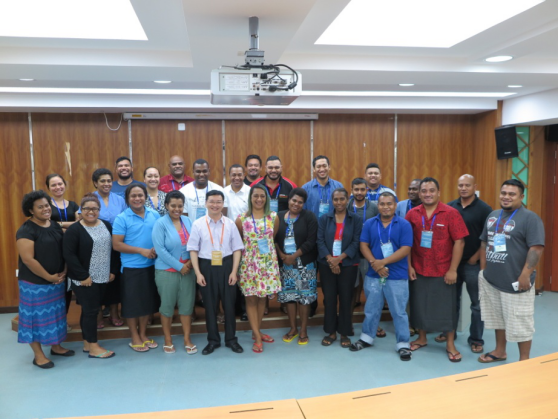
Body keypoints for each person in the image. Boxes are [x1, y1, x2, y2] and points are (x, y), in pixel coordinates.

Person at [478, 179, 544, 363]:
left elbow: (536, 248)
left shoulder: (530, 218)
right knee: (498, 318)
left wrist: (525, 274)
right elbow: (484, 242)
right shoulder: (493, 215)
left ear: (521, 197)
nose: (506, 197)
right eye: (504, 193)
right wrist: (483, 270)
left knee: (521, 322)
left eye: (512, 194)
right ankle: (500, 351)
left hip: (516, 281)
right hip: (492, 280)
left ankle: (524, 361)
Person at [405, 177, 468, 363]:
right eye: (424, 191)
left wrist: (453, 269)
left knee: (446, 308)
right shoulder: (412, 214)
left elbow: (459, 242)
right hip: (419, 268)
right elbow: (406, 243)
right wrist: (409, 266)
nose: (427, 194)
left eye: (431, 190)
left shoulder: (451, 213)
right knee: (419, 305)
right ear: (419, 193)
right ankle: (422, 338)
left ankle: (450, 344)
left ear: (439, 192)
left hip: (443, 269)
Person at [351, 192, 414, 361]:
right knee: (371, 308)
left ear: (395, 205)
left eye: (389, 204)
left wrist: (383, 262)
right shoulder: (370, 223)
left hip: (397, 275)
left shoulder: (404, 224)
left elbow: (406, 249)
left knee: (399, 311)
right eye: (382, 204)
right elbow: (363, 245)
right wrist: (375, 264)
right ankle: (367, 337)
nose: (386, 207)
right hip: (373, 274)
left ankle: (403, 344)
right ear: (377, 205)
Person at [16, 190, 74, 369]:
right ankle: (38, 355)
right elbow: (28, 260)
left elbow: (62, 249)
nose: (46, 209)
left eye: (47, 205)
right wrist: (49, 276)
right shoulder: (26, 230)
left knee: (55, 317)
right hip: (34, 284)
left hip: (56, 281)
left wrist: (64, 270)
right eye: (40, 207)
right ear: (31, 210)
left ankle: (56, 346)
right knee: (34, 320)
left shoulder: (54, 225)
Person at [435, 174, 493, 352]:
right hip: (451, 263)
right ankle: (448, 333)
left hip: (472, 264)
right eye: (460, 185)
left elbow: (488, 238)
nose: (463, 188)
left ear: (475, 186)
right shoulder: (450, 207)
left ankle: (476, 339)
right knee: (451, 302)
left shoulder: (485, 209)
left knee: (477, 304)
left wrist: (475, 257)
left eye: (467, 185)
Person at [187, 190, 244, 355]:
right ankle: (213, 340)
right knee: (210, 306)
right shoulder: (198, 224)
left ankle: (231, 339)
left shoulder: (230, 224)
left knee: (229, 305)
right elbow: (193, 250)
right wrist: (198, 273)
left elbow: (237, 249)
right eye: (212, 201)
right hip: (206, 267)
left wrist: (234, 271)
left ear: (223, 204)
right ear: (206, 203)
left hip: (227, 266)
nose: (215, 205)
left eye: (219, 202)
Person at [63, 193, 118, 359]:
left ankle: (87, 343)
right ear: (81, 210)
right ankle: (94, 347)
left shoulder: (106, 225)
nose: (91, 212)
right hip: (84, 279)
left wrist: (112, 270)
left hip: (103, 276)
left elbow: (113, 249)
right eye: (87, 208)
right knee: (91, 311)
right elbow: (69, 255)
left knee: (89, 310)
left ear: (99, 210)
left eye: (95, 209)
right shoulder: (74, 230)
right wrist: (83, 276)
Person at [113, 184, 161, 352]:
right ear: (127, 198)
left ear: (145, 197)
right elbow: (117, 244)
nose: (137, 198)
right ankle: (134, 336)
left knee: (147, 303)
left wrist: (157, 247)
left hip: (152, 266)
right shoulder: (121, 218)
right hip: (131, 268)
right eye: (133, 196)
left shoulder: (154, 214)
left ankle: (143, 334)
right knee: (132, 305)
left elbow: (159, 236)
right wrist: (141, 251)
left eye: (140, 195)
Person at [236, 184, 281, 353]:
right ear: (250, 198)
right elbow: (239, 243)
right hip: (249, 265)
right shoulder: (241, 219)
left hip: (267, 264)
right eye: (256, 196)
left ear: (266, 198)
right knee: (251, 299)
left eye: (262, 196)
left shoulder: (273, 217)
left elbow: (272, 238)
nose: (259, 199)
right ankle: (257, 335)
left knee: (262, 299)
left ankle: (257, 332)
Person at [152, 191, 197, 355]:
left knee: (187, 306)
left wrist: (190, 263)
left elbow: (195, 243)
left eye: (180, 206)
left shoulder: (188, 221)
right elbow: (160, 250)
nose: (177, 209)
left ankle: (187, 339)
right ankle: (168, 339)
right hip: (167, 271)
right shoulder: (160, 223)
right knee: (167, 306)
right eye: (173, 206)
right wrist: (179, 266)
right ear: (166, 206)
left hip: (189, 270)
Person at [317, 188, 362, 348]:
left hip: (348, 264)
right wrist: (331, 260)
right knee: (329, 298)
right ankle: (330, 331)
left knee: (346, 298)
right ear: (332, 201)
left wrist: (339, 259)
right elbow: (320, 241)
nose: (339, 202)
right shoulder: (324, 218)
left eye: (342, 199)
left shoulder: (355, 219)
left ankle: (344, 331)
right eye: (335, 199)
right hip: (327, 264)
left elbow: (356, 242)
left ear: (347, 200)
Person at [275, 188, 318, 345]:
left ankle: (303, 330)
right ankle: (293, 328)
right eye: (294, 200)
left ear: (303, 204)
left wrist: (293, 256)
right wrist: (283, 256)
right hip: (285, 265)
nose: (296, 204)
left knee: (304, 298)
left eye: (300, 202)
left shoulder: (309, 217)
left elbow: (311, 241)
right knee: (290, 297)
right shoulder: (278, 216)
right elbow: (273, 239)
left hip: (304, 265)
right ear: (289, 200)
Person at [90, 168, 127, 327]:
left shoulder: (119, 199)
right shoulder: (90, 198)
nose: (106, 184)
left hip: (115, 245)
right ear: (95, 183)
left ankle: (114, 313)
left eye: (109, 181)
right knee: (97, 280)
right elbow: (82, 218)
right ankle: (98, 315)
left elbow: (125, 219)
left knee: (114, 280)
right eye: (102, 181)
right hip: (96, 245)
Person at [347, 178, 383, 337]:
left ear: (367, 190)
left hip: (369, 256)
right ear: (352, 190)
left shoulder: (374, 208)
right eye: (356, 189)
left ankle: (375, 324)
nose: (359, 192)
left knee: (372, 292)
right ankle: (348, 322)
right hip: (350, 255)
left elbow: (379, 229)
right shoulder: (347, 206)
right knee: (351, 290)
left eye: (362, 189)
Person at [46, 173, 79, 316]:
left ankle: (63, 319)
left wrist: (59, 225)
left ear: (65, 185)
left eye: (60, 184)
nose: (57, 187)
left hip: (71, 248)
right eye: (53, 185)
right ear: (48, 188)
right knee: (55, 280)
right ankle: (52, 320)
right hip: (52, 248)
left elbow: (79, 223)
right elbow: (47, 224)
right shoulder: (46, 205)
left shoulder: (73, 205)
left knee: (67, 285)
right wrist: (67, 227)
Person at [224, 164, 251, 321]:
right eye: (233, 174)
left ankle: (245, 309)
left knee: (245, 273)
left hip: (247, 239)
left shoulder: (250, 192)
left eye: (239, 174)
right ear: (229, 175)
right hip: (227, 239)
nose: (236, 177)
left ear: (244, 175)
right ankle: (232, 309)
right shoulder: (223, 192)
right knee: (231, 272)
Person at [179, 159, 228, 224]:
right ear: (193, 172)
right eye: (198, 171)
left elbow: (223, 216)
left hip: (214, 229)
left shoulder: (219, 190)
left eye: (204, 171)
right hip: (191, 229)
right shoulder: (183, 191)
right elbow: (183, 219)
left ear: (209, 171)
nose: (201, 174)